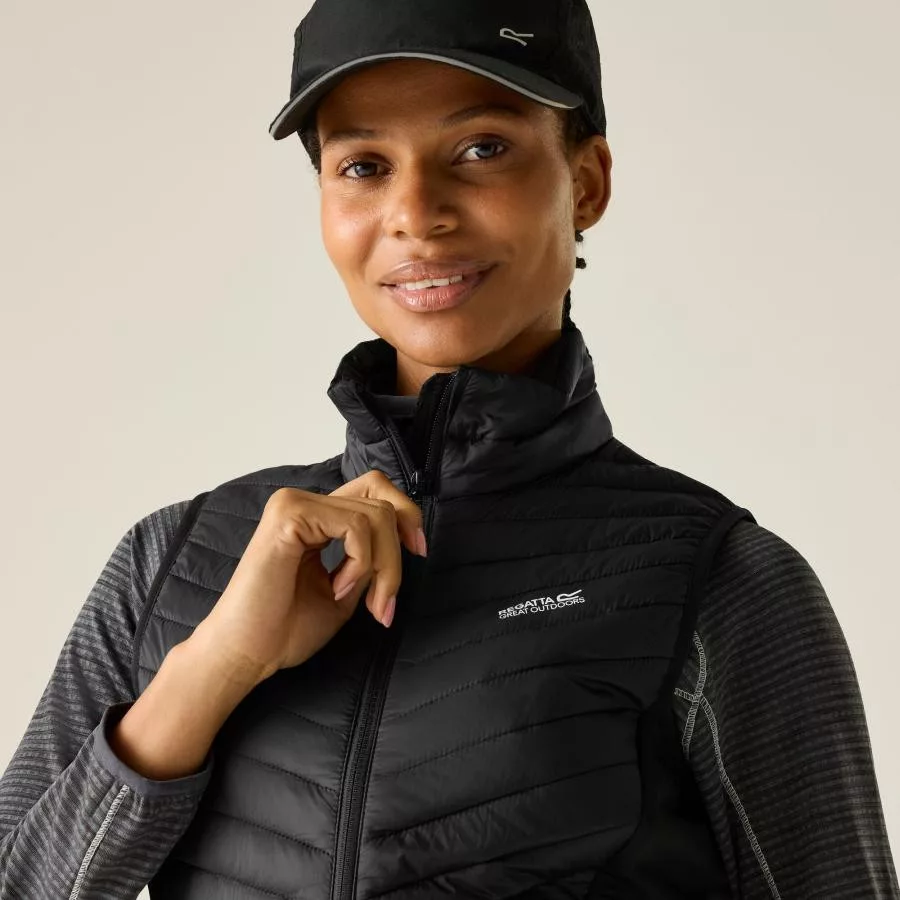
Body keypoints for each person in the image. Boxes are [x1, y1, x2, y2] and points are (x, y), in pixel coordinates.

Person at [1, 0, 897, 897]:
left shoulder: (718, 580)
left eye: (481, 148)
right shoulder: (173, 560)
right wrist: (215, 667)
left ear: (586, 183)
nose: (415, 214)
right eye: (363, 166)